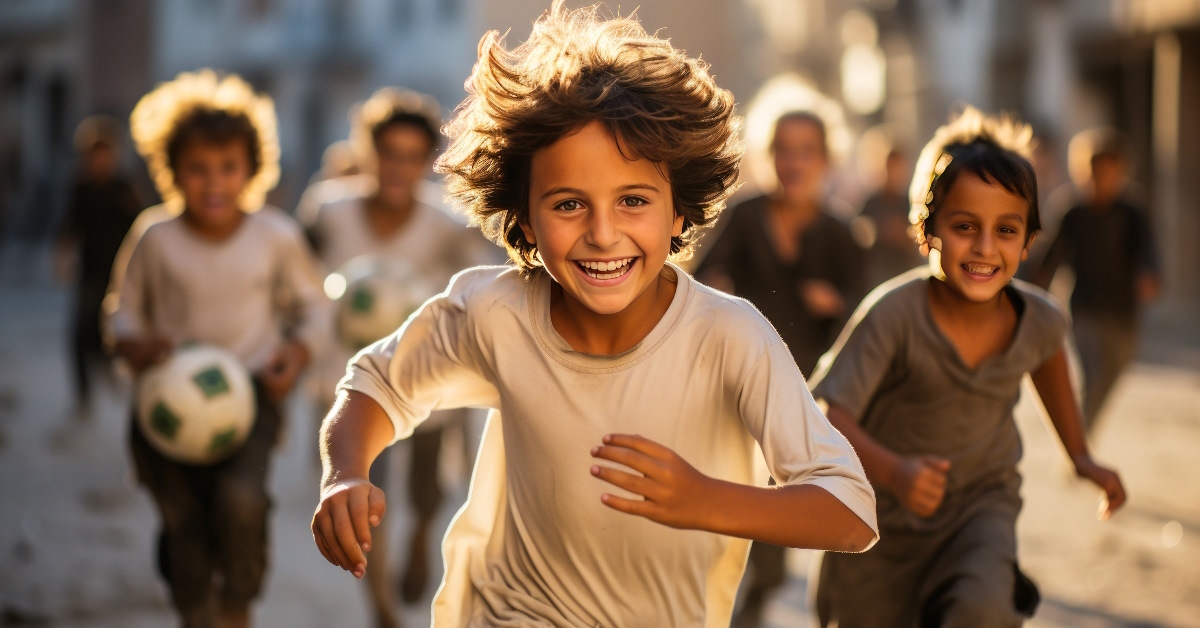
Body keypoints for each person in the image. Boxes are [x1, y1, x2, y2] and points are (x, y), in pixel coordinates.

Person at [311, 4, 878, 626]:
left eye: (633, 200)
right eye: (568, 204)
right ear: (524, 219)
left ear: (679, 213)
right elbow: (375, 382)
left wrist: (706, 500)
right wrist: (344, 474)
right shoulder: (494, 311)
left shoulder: (729, 336)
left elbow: (849, 511)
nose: (603, 234)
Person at [809, 106, 1126, 627]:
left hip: (980, 511)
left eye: (1006, 230)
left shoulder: (1041, 318)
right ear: (926, 231)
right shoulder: (894, 314)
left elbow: (1046, 361)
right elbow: (829, 411)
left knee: (981, 608)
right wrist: (896, 471)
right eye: (964, 226)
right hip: (879, 529)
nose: (984, 247)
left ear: (1028, 242)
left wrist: (1081, 456)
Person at [107, 70, 331, 628]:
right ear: (172, 171)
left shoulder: (275, 236)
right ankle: (193, 611)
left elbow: (316, 307)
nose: (213, 182)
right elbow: (121, 310)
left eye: (228, 168)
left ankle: (237, 601)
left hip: (251, 394)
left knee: (241, 503)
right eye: (197, 169)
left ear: (252, 170)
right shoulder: (154, 236)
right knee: (183, 523)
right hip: (165, 403)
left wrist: (297, 354)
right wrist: (134, 344)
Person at [297, 87, 500, 627]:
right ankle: (382, 607)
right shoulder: (327, 211)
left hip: (429, 378)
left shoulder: (447, 224)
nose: (398, 168)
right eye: (388, 154)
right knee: (365, 489)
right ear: (368, 153)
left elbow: (480, 283)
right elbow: (295, 283)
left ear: (426, 162)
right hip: (355, 378)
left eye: (412, 157)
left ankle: (418, 543)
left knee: (429, 491)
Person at [694, 110, 866, 626]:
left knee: (776, 514)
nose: (793, 162)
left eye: (806, 150)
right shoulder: (746, 216)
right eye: (783, 150)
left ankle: (753, 599)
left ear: (825, 159)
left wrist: (834, 303)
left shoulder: (841, 233)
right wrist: (716, 284)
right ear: (769, 157)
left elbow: (863, 318)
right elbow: (699, 279)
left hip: (800, 397)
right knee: (727, 501)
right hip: (732, 384)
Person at [1032, 128, 1160, 434]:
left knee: (1111, 375)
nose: (1101, 178)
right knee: (1093, 375)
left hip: (1124, 313)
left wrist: (1149, 275)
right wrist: (1034, 294)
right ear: (1082, 171)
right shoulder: (1072, 212)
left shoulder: (1133, 212)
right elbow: (1051, 258)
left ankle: (1079, 437)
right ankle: (1077, 441)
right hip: (1085, 309)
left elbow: (1149, 252)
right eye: (1095, 171)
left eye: (1109, 171)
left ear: (1121, 172)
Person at [56, 114, 143, 416]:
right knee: (79, 333)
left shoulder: (123, 189)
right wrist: (62, 256)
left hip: (120, 273)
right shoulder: (80, 187)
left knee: (115, 331)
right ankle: (83, 397)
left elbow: (140, 229)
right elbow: (69, 226)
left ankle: (118, 379)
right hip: (91, 272)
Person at [859, 147, 925, 289]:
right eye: (890, 167)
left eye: (898, 168)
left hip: (905, 273)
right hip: (877, 274)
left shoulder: (910, 202)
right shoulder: (872, 202)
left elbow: (921, 239)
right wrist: (880, 231)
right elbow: (859, 235)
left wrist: (906, 234)